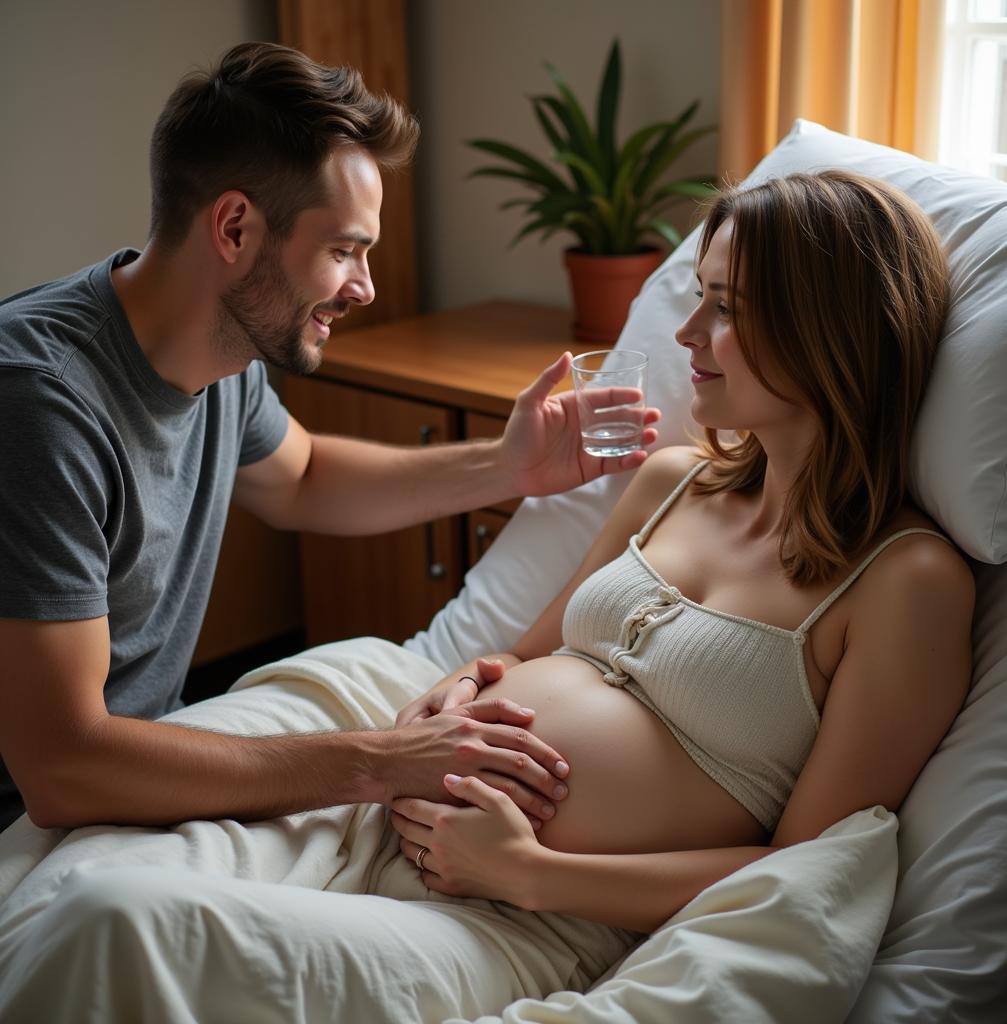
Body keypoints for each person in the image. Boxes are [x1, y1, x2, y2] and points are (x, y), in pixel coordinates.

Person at [0, 170, 975, 1022]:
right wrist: (457, 689)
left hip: (521, 913)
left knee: (115, 925)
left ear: (830, 327)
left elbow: (803, 870)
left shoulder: (903, 584)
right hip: (387, 792)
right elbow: (524, 652)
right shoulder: (670, 479)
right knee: (70, 886)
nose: (686, 333)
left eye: (725, 305)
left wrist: (529, 871)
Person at [0, 41, 661, 835]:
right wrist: (383, 761)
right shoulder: (39, 404)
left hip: (138, 773)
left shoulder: (224, 343)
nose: (365, 287)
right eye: (344, 250)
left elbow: (304, 478)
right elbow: (62, 768)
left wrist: (508, 464)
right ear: (236, 227)